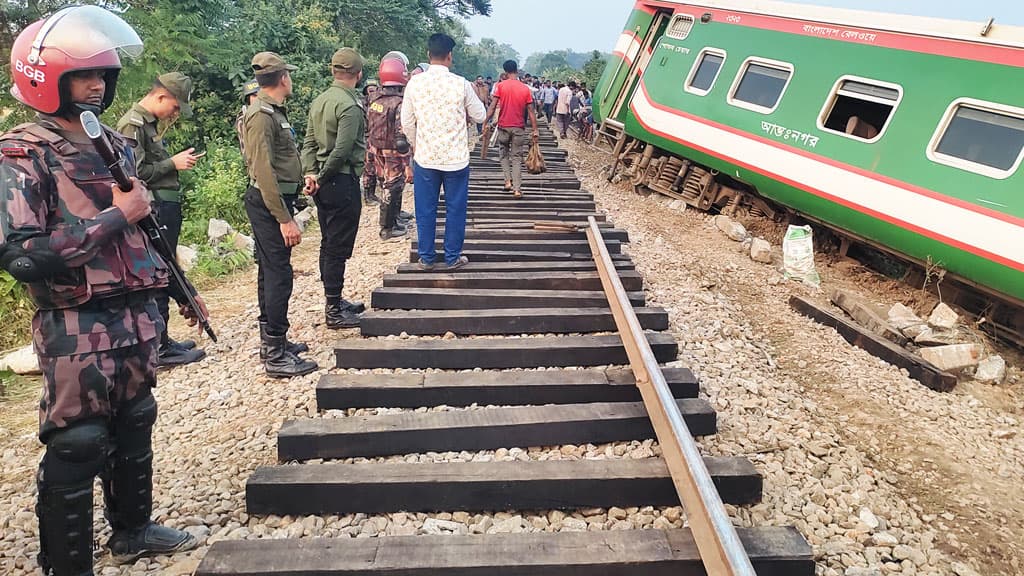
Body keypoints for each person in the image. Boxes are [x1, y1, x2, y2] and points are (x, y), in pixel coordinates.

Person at [0, 7, 205, 574]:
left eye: (104, 76)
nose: (97, 86)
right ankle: (66, 563)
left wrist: (181, 291)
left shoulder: (114, 143)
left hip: (136, 312)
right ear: (47, 80)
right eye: (84, 76)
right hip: (74, 321)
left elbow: (146, 231)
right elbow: (22, 254)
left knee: (136, 418)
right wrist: (113, 218)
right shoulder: (23, 151)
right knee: (79, 441)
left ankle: (132, 531)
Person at [117, 72, 206, 368]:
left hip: (164, 207)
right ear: (161, 96)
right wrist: (173, 163)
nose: (176, 113)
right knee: (159, 273)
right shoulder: (134, 124)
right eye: (176, 106)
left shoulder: (149, 124)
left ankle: (164, 339)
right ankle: (160, 347)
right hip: (152, 209)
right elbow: (133, 173)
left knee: (165, 270)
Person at [241, 51, 316, 376]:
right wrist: (284, 218)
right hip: (268, 204)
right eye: (290, 75)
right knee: (278, 275)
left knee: (271, 271)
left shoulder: (272, 112)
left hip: (275, 201)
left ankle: (274, 342)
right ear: (283, 78)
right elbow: (263, 171)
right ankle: (275, 353)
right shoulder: (261, 115)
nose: (291, 80)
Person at [401, 33, 486, 271]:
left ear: (429, 55)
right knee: (455, 209)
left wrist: (416, 143)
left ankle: (427, 257)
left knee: (425, 209)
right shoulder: (461, 83)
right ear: (450, 56)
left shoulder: (415, 84)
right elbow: (480, 115)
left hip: (426, 158)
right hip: (456, 159)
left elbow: (406, 121)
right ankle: (452, 257)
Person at [300, 47, 369, 329]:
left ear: (333, 71)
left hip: (323, 183)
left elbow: (308, 143)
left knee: (329, 242)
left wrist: (311, 174)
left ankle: (335, 300)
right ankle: (333, 309)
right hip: (341, 181)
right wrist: (325, 175)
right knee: (337, 246)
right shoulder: (350, 105)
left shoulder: (320, 101)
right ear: (359, 74)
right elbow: (341, 150)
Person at [365, 53, 414, 242]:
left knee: (390, 185)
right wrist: (408, 162)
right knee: (392, 187)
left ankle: (394, 219)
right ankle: (387, 228)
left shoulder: (374, 99)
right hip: (394, 151)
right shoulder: (400, 103)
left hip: (376, 149)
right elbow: (402, 137)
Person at [484, 60, 538, 199]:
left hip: (503, 126)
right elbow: (531, 111)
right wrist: (535, 130)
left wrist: (486, 121)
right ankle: (517, 189)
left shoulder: (500, 86)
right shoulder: (525, 88)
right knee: (516, 158)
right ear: (517, 70)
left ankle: (507, 180)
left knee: (503, 154)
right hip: (519, 127)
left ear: (505, 71)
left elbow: (492, 106)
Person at [360, 78, 381, 206]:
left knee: (376, 167)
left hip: (377, 138)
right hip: (366, 138)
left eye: (374, 88)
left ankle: (372, 194)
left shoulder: (379, 103)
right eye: (370, 89)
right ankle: (368, 197)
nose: (372, 91)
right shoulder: (362, 103)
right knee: (368, 168)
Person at [235, 78, 260, 160]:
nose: (257, 98)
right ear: (248, 98)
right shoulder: (243, 119)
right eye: (254, 95)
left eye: (260, 95)